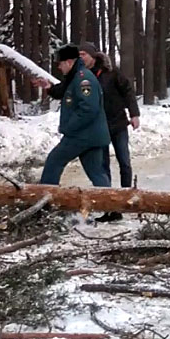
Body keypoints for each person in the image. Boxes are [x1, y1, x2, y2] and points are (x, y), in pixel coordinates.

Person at [38, 45, 112, 189]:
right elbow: (62, 91)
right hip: (91, 135)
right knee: (96, 173)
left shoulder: (83, 79)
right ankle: (112, 208)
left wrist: (69, 127)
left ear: (69, 62)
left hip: (82, 135)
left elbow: (89, 108)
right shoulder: (76, 76)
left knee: (54, 161)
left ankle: (46, 200)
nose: (59, 67)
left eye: (60, 63)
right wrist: (48, 87)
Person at [84, 45, 140, 221]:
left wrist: (134, 114)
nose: (81, 58)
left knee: (124, 160)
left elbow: (128, 91)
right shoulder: (83, 77)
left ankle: (126, 197)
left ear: (93, 56)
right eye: (79, 55)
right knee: (103, 165)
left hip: (118, 123)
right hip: (99, 127)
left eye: (83, 54)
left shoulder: (111, 73)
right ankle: (110, 206)